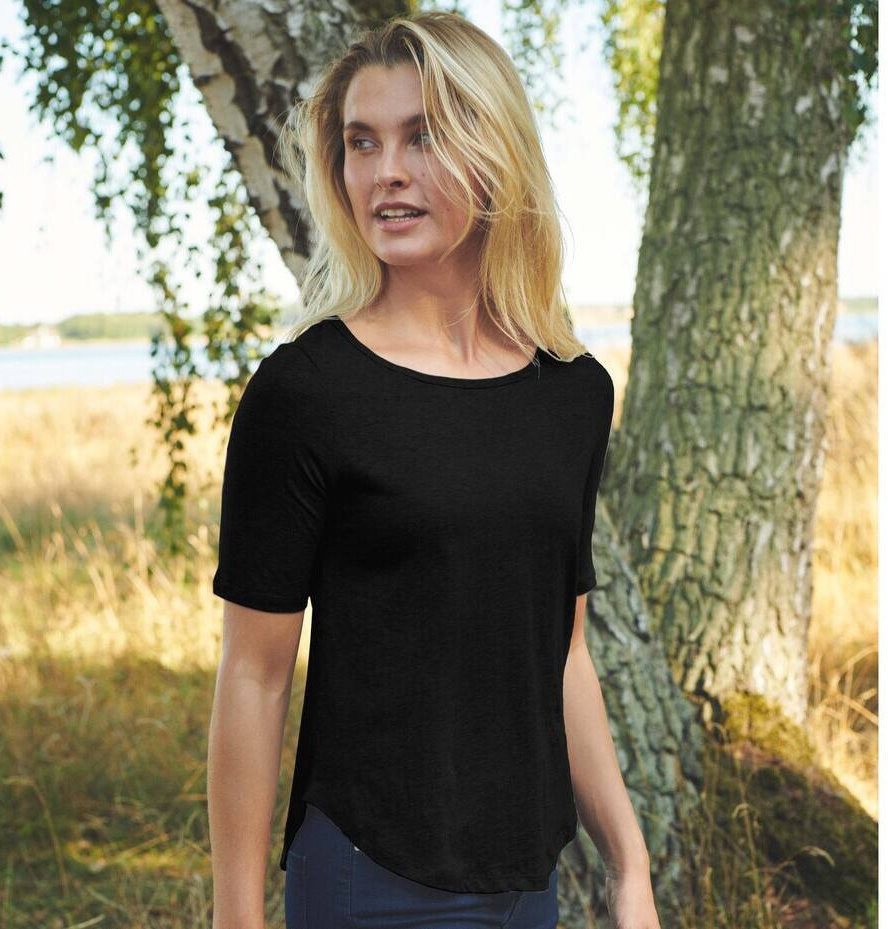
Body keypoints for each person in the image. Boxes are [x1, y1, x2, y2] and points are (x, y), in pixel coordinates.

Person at [207, 10, 661, 929]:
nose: (386, 172)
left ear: (495, 152)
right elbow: (254, 678)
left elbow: (564, 651)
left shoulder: (573, 393)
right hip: (371, 880)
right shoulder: (306, 392)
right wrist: (235, 917)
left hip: (529, 884)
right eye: (361, 142)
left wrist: (630, 865)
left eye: (422, 136)